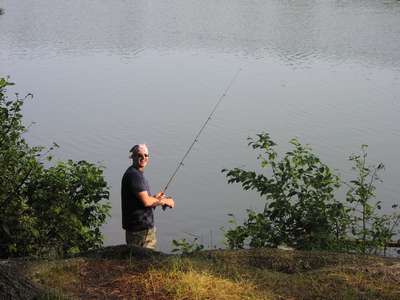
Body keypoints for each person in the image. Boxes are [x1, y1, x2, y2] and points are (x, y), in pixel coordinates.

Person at [121, 144, 175, 249]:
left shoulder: (134, 173)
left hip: (136, 228)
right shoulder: (134, 176)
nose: (143, 158)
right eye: (139, 155)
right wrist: (165, 202)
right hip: (141, 230)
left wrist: (156, 197)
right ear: (133, 157)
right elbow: (146, 202)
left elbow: (141, 201)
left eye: (146, 155)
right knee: (146, 261)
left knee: (136, 260)